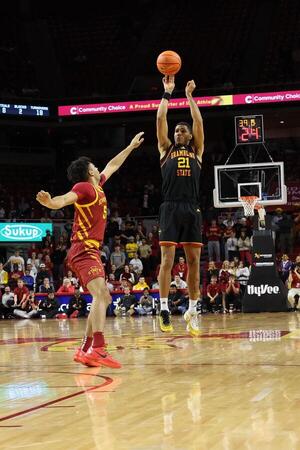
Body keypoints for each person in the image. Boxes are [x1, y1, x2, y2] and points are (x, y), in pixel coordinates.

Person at [36, 131, 144, 369]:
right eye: (94, 165)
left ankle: (85, 350)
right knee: (102, 296)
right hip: (83, 249)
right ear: (89, 171)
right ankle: (98, 348)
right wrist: (51, 203)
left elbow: (113, 165)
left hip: (89, 251)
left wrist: (130, 147)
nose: (98, 167)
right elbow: (66, 198)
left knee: (101, 298)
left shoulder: (99, 185)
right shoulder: (84, 187)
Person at [156, 75, 204, 335]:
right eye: (177, 131)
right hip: (170, 207)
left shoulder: (197, 150)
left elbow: (198, 121)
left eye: (182, 130)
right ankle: (163, 308)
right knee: (167, 261)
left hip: (191, 207)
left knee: (195, 261)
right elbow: (160, 119)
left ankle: (193, 310)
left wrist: (188, 97)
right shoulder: (166, 149)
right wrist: (167, 92)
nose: (179, 132)